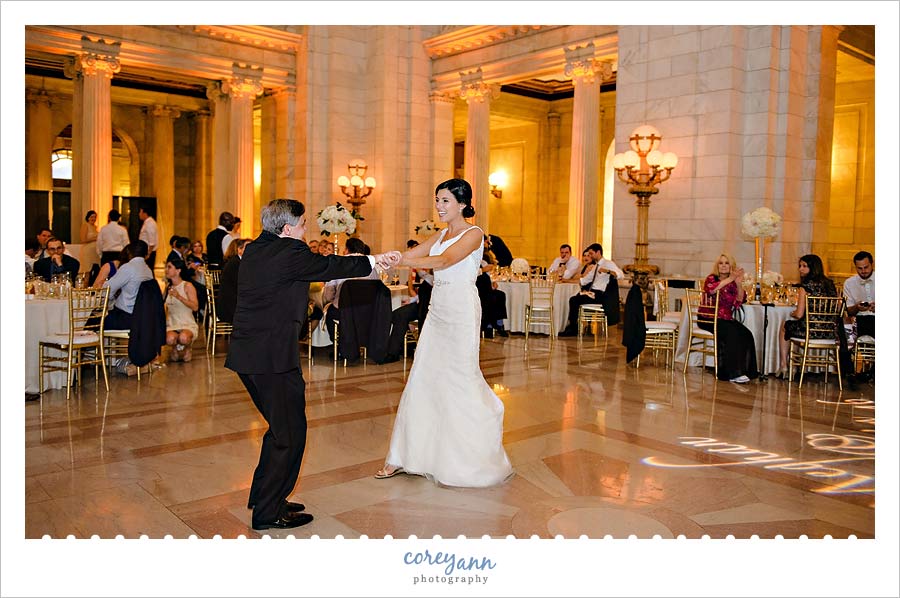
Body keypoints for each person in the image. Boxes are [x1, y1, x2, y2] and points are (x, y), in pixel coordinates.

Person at [224, 199, 399, 531]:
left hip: (254, 355)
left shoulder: (258, 248)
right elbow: (330, 265)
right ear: (288, 229)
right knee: (288, 434)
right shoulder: (289, 252)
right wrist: (375, 259)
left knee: (282, 429)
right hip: (270, 358)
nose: (307, 229)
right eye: (303, 224)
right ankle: (268, 512)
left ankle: (266, 496)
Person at [375, 178, 514, 487]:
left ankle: (464, 457)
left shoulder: (474, 234)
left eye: (445, 201)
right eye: (437, 200)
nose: (439, 206)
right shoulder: (440, 234)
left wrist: (405, 260)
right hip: (438, 308)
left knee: (458, 375)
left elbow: (443, 260)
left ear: (463, 204)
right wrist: (393, 257)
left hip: (462, 309)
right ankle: (406, 455)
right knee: (424, 375)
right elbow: (415, 255)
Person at [777, 254, 839, 378]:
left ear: (813, 267)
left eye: (804, 266)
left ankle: (784, 366)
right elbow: (837, 308)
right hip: (830, 332)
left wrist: (792, 313)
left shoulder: (806, 286)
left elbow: (799, 314)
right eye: (800, 266)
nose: (800, 269)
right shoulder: (830, 284)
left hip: (810, 331)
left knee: (785, 326)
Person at [702, 254, 758, 384]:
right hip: (709, 317)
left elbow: (739, 301)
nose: (723, 266)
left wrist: (738, 284)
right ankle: (732, 373)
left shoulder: (733, 282)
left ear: (731, 266)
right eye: (721, 263)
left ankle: (747, 370)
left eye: (726, 263)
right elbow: (711, 290)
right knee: (731, 334)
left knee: (746, 334)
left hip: (725, 318)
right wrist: (731, 278)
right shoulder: (711, 278)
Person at [558, 243, 624, 335]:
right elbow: (584, 281)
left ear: (598, 252)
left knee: (574, 300)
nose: (590, 256)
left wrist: (607, 271)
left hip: (600, 295)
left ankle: (573, 328)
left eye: (591, 253)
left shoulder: (608, 263)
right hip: (592, 292)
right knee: (574, 298)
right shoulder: (596, 267)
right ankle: (573, 326)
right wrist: (565, 280)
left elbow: (620, 275)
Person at [103, 240, 154, 331]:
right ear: (146, 255)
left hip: (125, 317)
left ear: (128, 252)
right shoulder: (148, 270)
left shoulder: (128, 267)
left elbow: (107, 290)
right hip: (142, 317)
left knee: (93, 322)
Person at [163, 258, 199, 363]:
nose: (166, 270)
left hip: (186, 323)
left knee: (183, 337)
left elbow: (195, 307)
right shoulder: (168, 287)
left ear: (178, 271)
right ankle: (174, 348)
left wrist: (179, 297)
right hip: (172, 324)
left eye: (169, 267)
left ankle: (188, 348)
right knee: (169, 339)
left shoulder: (187, 286)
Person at [217, 238, 251, 324]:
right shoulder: (235, 263)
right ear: (239, 249)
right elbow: (242, 286)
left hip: (236, 303)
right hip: (231, 307)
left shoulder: (240, 262)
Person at [843, 251, 875, 339]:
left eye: (866, 267)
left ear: (872, 264)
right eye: (860, 268)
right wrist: (857, 307)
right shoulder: (849, 283)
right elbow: (848, 310)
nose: (863, 271)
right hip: (859, 321)